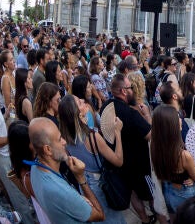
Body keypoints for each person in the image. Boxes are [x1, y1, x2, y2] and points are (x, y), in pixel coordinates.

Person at [0, 58, 35, 223]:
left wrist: (4, 116)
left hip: (4, 154)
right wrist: (12, 136)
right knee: (18, 196)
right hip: (1, 157)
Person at [59, 95, 127, 223]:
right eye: (79, 102)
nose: (84, 101)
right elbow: (118, 160)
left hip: (83, 186)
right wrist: (117, 132)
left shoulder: (63, 139)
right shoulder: (92, 137)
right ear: (77, 114)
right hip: (99, 185)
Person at [29, 117, 105, 222]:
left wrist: (76, 201)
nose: (64, 142)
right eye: (60, 139)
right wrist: (81, 178)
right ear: (48, 149)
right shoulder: (62, 192)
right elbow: (99, 215)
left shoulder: (34, 168)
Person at [102, 74, 154, 224]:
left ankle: (144, 219)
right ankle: (159, 216)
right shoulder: (131, 114)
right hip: (140, 164)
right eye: (130, 87)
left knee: (133, 194)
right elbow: (150, 134)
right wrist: (147, 116)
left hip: (122, 163)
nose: (133, 90)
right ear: (124, 91)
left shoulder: (106, 106)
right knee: (151, 194)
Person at [151, 105, 195, 215]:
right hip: (184, 194)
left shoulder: (154, 146)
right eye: (177, 117)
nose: (180, 119)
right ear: (171, 126)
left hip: (168, 189)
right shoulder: (183, 155)